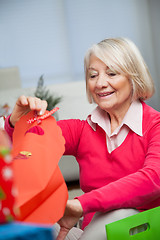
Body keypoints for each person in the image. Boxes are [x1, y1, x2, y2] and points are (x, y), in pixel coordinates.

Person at [5, 37, 160, 240]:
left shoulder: (155, 125)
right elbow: (27, 143)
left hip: (139, 230)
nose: (100, 83)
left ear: (134, 77)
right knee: (24, 215)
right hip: (85, 233)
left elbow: (153, 179)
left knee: (121, 214)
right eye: (93, 75)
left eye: (112, 73)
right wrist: (17, 123)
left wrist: (81, 204)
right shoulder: (82, 130)